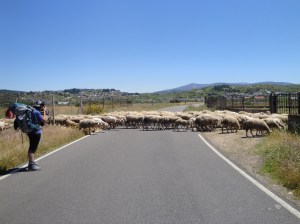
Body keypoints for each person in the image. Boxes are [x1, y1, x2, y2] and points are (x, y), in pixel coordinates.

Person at [14, 102, 48, 171]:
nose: (43, 107)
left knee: (32, 147)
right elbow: (44, 120)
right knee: (32, 149)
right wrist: (44, 112)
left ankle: (32, 162)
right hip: (36, 132)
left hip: (29, 132)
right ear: (41, 106)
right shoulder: (36, 112)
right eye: (43, 106)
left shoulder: (29, 111)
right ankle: (31, 165)